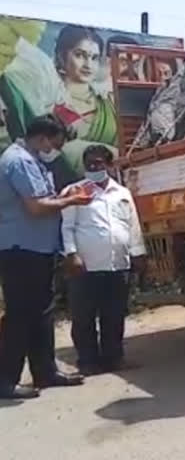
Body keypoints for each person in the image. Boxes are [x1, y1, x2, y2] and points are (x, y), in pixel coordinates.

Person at [0, 116, 91, 400]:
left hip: (36, 249)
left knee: (41, 312)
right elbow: (37, 208)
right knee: (20, 315)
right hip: (20, 250)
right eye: (55, 144)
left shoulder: (32, 160)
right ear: (41, 139)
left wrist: (63, 195)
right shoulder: (20, 161)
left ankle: (45, 371)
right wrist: (72, 201)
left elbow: (44, 197)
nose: (56, 150)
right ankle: (5, 380)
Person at [0, 20, 119, 186]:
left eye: (94, 58)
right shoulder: (46, 95)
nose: (88, 64)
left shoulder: (108, 101)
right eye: (79, 55)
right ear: (62, 56)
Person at [61, 145, 146, 375]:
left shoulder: (122, 193)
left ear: (108, 165)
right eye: (89, 163)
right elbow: (66, 227)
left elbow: (132, 225)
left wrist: (137, 253)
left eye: (98, 163)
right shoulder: (75, 192)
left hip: (117, 264)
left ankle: (114, 358)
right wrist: (72, 255)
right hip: (85, 266)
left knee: (114, 315)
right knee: (83, 317)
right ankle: (87, 361)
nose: (94, 167)